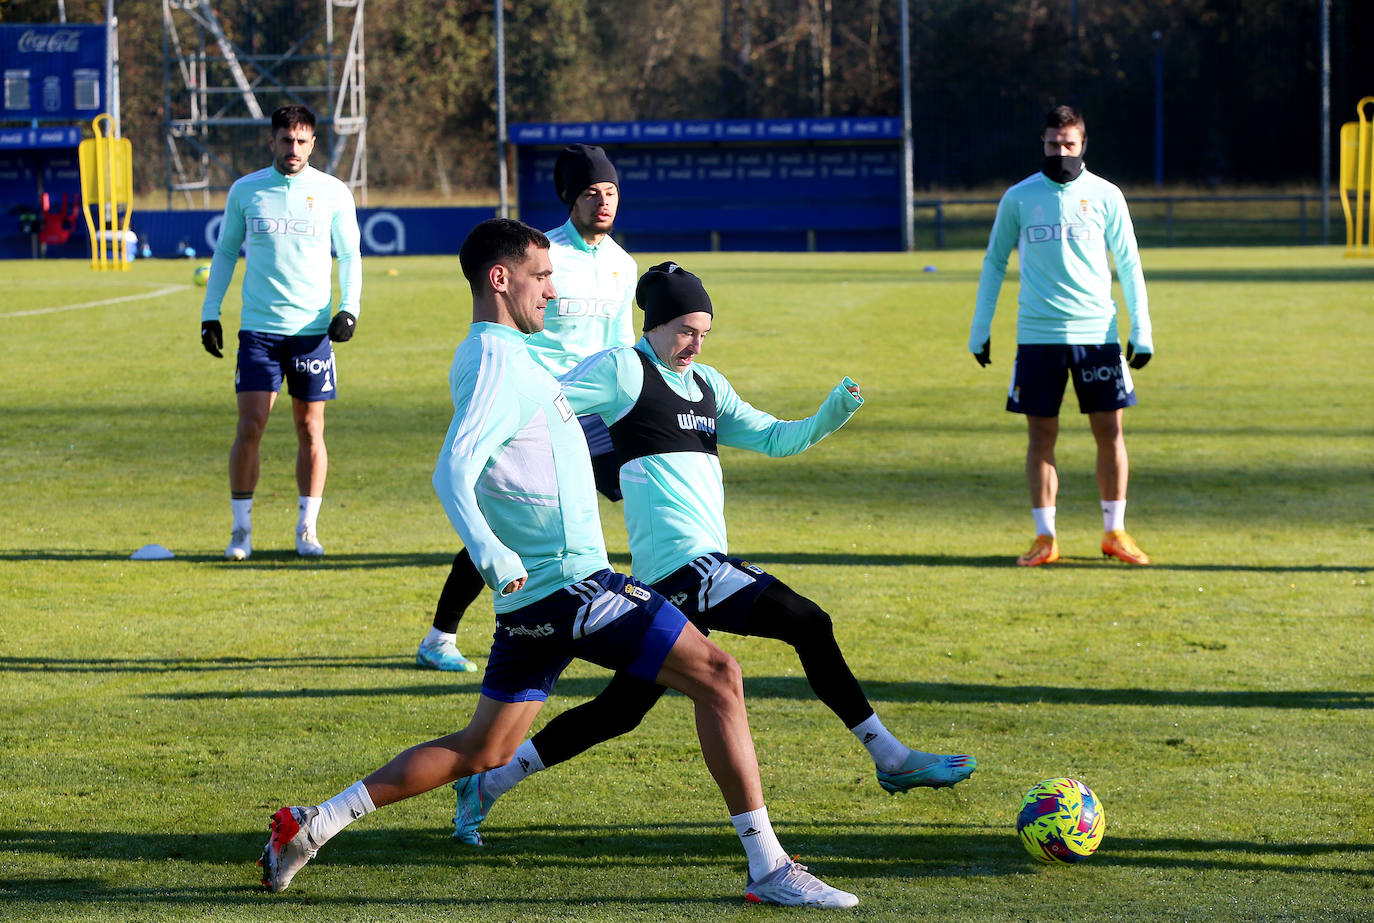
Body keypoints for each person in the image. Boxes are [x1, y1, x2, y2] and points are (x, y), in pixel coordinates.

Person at [257, 219, 858, 909]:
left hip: (536, 599)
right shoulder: (495, 359)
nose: (553, 290)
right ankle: (769, 866)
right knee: (720, 676)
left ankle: (314, 823)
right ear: (500, 279)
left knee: (483, 748)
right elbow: (454, 468)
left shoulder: (508, 353)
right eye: (542, 277)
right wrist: (493, 554)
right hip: (572, 586)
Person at [451, 261, 976, 847]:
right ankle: (891, 756)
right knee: (808, 621)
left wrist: (832, 413)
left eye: (704, 332)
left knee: (619, 710)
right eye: (685, 331)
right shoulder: (625, 370)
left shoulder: (708, 384)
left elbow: (776, 437)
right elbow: (540, 404)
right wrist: (584, 464)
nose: (695, 345)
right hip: (686, 569)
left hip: (692, 572)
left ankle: (487, 785)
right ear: (653, 324)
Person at [416, 143, 636, 672]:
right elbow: (513, 336)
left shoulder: (623, 265)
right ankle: (443, 635)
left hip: (591, 414)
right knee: (510, 519)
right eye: (591, 193)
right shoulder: (541, 256)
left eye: (611, 192)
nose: (603, 203)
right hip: (537, 412)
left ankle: (633, 613)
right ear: (570, 198)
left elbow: (621, 343)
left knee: (641, 494)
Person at [969, 104, 1154, 567]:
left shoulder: (1107, 195)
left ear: (1083, 144)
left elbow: (1129, 263)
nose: (1061, 152)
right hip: (1037, 336)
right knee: (1041, 437)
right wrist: (980, 328)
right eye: (1054, 144)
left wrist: (1142, 329)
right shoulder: (1019, 197)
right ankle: (1045, 538)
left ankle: (1115, 531)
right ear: (1043, 143)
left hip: (1098, 334)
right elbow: (995, 262)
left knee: (1110, 432)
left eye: (1069, 144)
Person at [199, 104, 361, 560]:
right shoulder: (246, 190)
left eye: (302, 141)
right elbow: (226, 253)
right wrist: (211, 313)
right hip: (258, 332)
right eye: (286, 140)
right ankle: (241, 530)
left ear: (313, 144)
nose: (294, 149)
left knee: (310, 428)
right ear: (271, 141)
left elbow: (349, 256)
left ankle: (307, 529)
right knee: (250, 426)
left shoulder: (332, 192)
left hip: (311, 331)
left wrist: (349, 309)